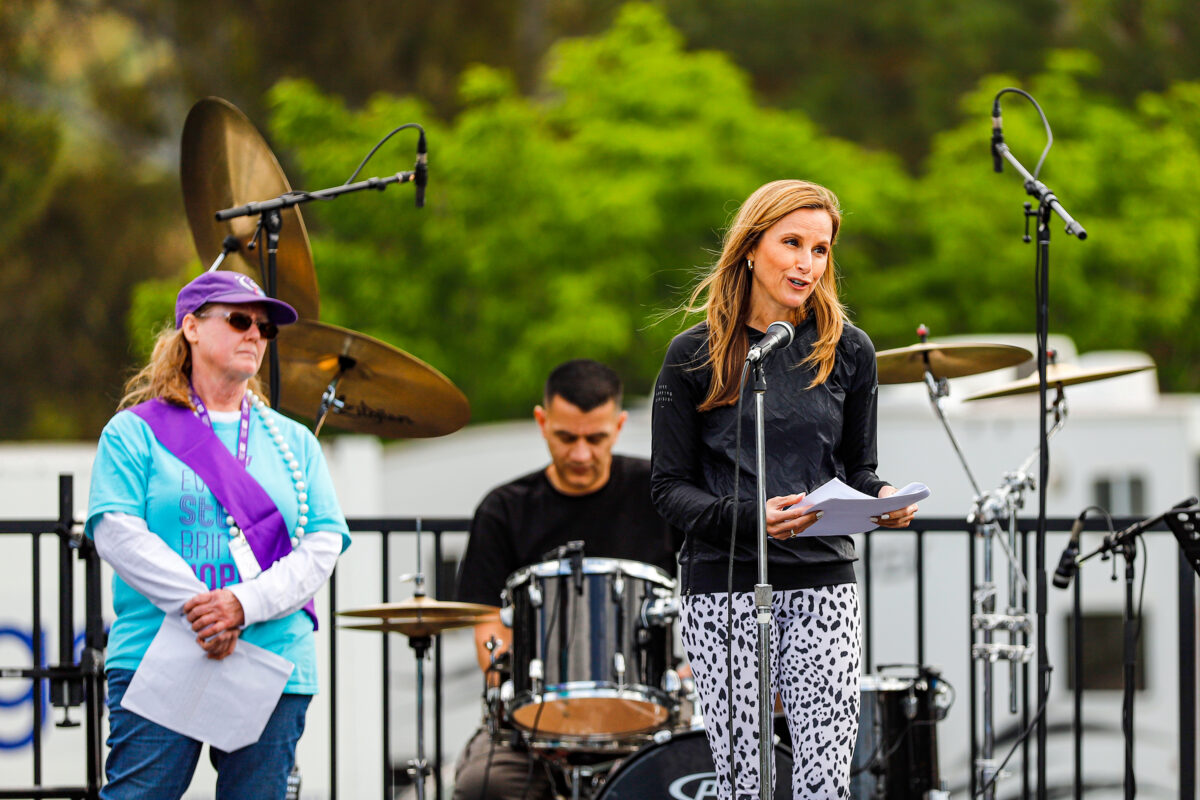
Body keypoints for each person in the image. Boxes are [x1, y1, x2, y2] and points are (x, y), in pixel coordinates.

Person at [650, 179, 918, 800]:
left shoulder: (849, 349)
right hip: (722, 586)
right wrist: (752, 518)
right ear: (750, 248)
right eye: (792, 243)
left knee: (824, 782)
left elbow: (858, 467)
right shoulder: (693, 354)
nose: (807, 263)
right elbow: (668, 488)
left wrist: (883, 498)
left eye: (820, 250)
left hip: (824, 584)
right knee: (744, 783)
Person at [85, 271, 351, 800]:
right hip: (160, 650)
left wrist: (242, 606)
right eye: (238, 319)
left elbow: (322, 546)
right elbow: (116, 531)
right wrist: (205, 611)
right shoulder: (132, 431)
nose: (255, 334)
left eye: (264, 327)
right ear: (191, 327)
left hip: (272, 656)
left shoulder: (296, 441)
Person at [452, 359, 682, 800]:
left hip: (648, 709)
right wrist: (519, 704)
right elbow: (488, 624)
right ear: (542, 422)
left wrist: (693, 671)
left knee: (689, 776)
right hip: (531, 718)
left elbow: (709, 588)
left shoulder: (660, 494)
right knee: (485, 785)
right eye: (566, 437)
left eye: (595, 438)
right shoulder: (504, 509)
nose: (580, 454)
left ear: (619, 426)